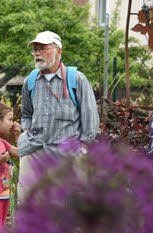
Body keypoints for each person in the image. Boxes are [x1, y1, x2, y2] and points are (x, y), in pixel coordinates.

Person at [18, 31, 98, 194]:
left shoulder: (77, 79)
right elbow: (26, 114)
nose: (37, 53)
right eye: (35, 49)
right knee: (28, 201)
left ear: (59, 51)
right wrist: (26, 133)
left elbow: (90, 118)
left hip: (67, 154)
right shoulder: (30, 81)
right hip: (34, 150)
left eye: (43, 48)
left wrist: (83, 146)